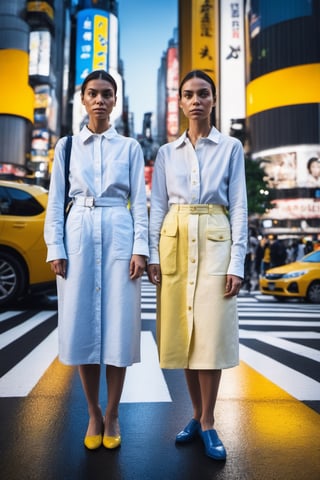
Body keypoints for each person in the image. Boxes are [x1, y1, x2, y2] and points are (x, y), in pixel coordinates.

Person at [44, 70, 149, 450]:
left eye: (107, 94)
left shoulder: (130, 148)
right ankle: (93, 412)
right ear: (83, 99)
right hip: (79, 234)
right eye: (93, 93)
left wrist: (141, 248)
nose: (100, 100)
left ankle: (114, 411)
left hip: (119, 229)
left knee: (119, 326)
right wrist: (55, 247)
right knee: (82, 327)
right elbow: (56, 201)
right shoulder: (67, 146)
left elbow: (140, 200)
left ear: (115, 101)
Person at [147, 70, 247, 461]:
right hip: (175, 236)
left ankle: (208, 421)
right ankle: (195, 414)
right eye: (188, 94)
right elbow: (157, 204)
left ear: (214, 99)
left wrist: (236, 262)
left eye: (203, 94)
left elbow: (238, 205)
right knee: (184, 336)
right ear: (180, 101)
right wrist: (153, 254)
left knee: (211, 334)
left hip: (216, 237)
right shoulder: (166, 152)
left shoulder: (231, 147)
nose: (195, 101)